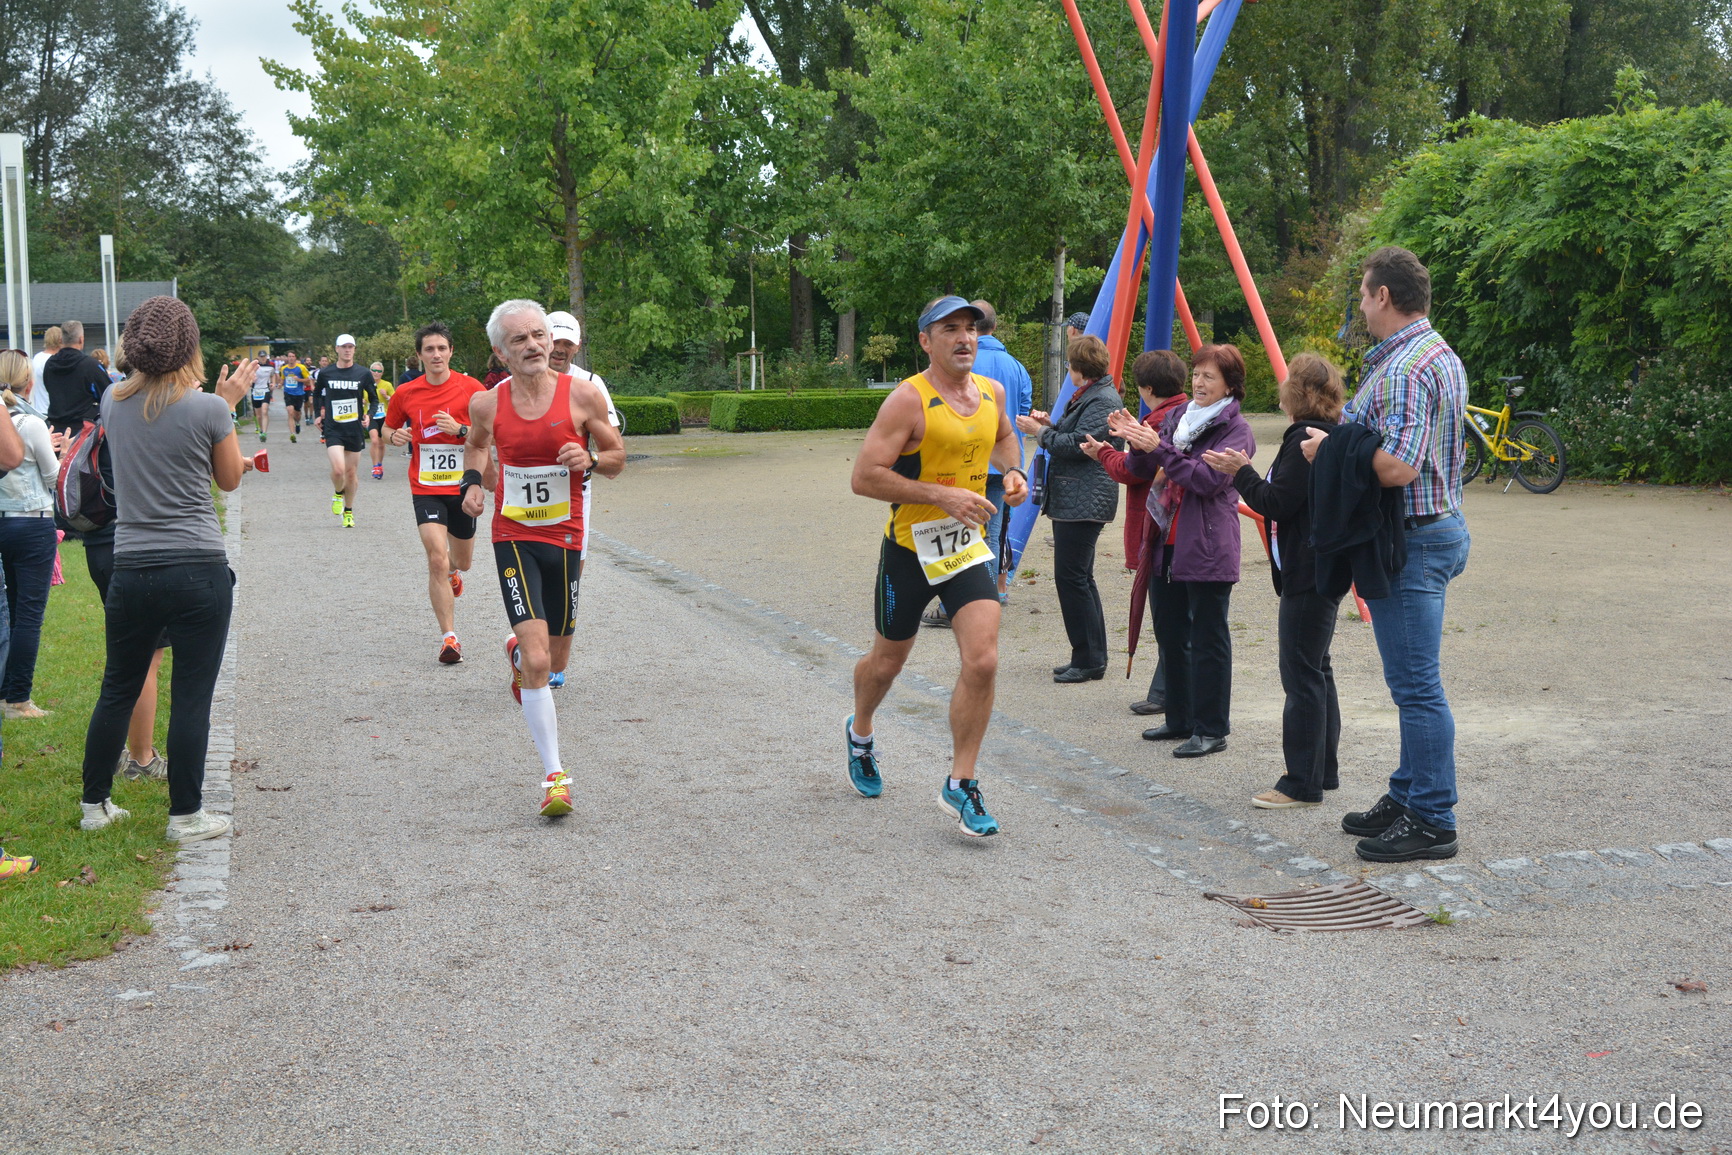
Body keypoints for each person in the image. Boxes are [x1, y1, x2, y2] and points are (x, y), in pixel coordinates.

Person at [1301, 246, 1470, 863]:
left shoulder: (1402, 369)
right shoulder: (1437, 354)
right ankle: (1407, 793)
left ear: (1383, 297)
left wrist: (1332, 451)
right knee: (1414, 683)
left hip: (1414, 542)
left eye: (1364, 294)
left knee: (1416, 686)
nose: (1362, 306)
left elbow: (1398, 465)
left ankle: (1432, 817)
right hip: (1435, 528)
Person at [846, 295, 1029, 837]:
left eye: (970, 328)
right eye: (950, 329)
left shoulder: (993, 393)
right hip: (909, 548)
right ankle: (860, 732)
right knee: (886, 663)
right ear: (926, 341)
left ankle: (961, 782)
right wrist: (939, 494)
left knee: (984, 660)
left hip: (965, 548)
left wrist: (1015, 472)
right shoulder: (908, 400)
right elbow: (863, 477)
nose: (964, 338)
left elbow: (1002, 440)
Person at [78, 295, 253, 842]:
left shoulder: (111, 399)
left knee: (118, 685)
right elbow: (228, 480)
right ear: (190, 347)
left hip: (132, 564)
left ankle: (94, 804)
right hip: (196, 565)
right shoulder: (209, 409)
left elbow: (150, 431)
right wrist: (226, 405)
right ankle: (186, 815)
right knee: (193, 694)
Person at [459, 300, 624, 817]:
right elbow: (476, 446)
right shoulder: (487, 404)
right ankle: (555, 776)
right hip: (513, 536)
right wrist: (472, 484)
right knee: (538, 664)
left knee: (554, 660)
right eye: (519, 340)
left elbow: (618, 458)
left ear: (550, 341)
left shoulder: (583, 393)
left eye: (538, 335)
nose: (532, 345)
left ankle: (516, 650)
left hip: (567, 536)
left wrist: (592, 458)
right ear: (499, 352)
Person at [1203, 353, 1346, 809]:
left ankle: (1301, 781)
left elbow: (1276, 502)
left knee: (1301, 673)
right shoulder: (1331, 433)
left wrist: (1239, 471)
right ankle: (1323, 770)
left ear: (1296, 394)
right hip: (1323, 565)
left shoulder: (1304, 438)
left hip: (1309, 568)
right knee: (1317, 667)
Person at [1111, 344, 1254, 759]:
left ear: (1230, 384)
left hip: (1207, 545)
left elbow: (1205, 480)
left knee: (1209, 639)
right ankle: (1179, 717)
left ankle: (1211, 729)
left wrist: (1157, 448)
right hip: (1164, 539)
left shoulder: (1236, 430)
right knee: (1170, 634)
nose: (1199, 382)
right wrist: (1134, 442)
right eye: (1196, 374)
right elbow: (1142, 471)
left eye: (1210, 376)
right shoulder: (1178, 417)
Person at [1090, 350, 1189, 715]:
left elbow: (1135, 469)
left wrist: (1102, 452)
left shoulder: (1161, 420)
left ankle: (1168, 694)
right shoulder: (1180, 412)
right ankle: (1169, 691)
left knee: (1169, 617)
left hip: (1160, 527)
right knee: (1177, 616)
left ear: (1146, 387)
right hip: (1175, 527)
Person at [1016, 334, 1119, 682]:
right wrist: (1050, 426)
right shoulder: (1093, 395)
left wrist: (1040, 434)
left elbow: (1079, 446)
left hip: (1085, 499)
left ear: (1078, 369)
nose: (1068, 371)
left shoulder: (1101, 399)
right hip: (1079, 498)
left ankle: (1088, 659)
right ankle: (1090, 654)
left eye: (1070, 366)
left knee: (1071, 578)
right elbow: (1074, 434)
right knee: (1079, 579)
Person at [386, 322, 485, 664]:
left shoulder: (471, 388)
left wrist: (460, 429)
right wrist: (393, 436)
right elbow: (388, 426)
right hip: (425, 487)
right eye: (429, 349)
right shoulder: (407, 392)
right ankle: (450, 638)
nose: (436, 354)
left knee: (461, 562)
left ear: (451, 351)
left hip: (462, 485)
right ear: (419, 355)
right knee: (436, 558)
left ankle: (455, 573)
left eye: (442, 348)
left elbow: (491, 432)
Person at [0, 362, 63, 719]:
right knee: (28, 616)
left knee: (8, 610)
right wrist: (63, 454)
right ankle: (18, 698)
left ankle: (6, 691)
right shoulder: (31, 423)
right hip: (32, 522)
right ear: (29, 381)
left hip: (4, 521)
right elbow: (54, 478)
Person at [311, 335, 377, 528]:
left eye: (351, 347)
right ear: (337, 349)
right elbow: (316, 394)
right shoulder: (326, 373)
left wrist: (369, 415)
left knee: (350, 473)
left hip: (354, 429)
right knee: (338, 470)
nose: (348, 350)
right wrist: (318, 413)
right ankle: (338, 493)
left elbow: (373, 399)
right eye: (344, 347)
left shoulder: (363, 373)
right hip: (333, 428)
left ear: (354, 349)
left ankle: (349, 511)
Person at [40, 319, 113, 436]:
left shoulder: (49, 364)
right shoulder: (91, 366)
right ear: (81, 339)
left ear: (61, 340)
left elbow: (48, 387)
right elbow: (108, 395)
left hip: (56, 432)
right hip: (83, 433)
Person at [367, 361, 395, 478]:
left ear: (382, 373)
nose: (376, 373)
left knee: (381, 443)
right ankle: (375, 467)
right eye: (374, 370)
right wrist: (362, 402)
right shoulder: (365, 383)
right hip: (370, 416)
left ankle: (380, 464)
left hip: (384, 416)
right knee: (374, 440)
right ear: (370, 371)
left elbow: (395, 399)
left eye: (379, 371)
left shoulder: (387, 385)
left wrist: (386, 397)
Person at [280, 350, 311, 441]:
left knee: (297, 414)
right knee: (290, 412)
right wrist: (279, 384)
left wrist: (299, 380)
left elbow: (308, 380)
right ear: (287, 358)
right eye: (289, 356)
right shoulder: (284, 368)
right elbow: (282, 379)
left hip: (299, 393)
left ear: (295, 358)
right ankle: (292, 434)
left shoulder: (301, 368)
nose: (291, 358)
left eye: (293, 356)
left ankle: (297, 423)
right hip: (288, 392)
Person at [29, 326, 61, 406]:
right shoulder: (54, 361)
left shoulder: (36, 358)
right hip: (51, 408)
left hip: (38, 407)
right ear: (60, 341)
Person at [249, 356, 275, 441]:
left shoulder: (268, 368)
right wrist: (251, 380)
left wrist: (273, 383)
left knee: (264, 411)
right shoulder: (251, 370)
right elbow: (248, 382)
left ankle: (264, 432)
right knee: (259, 415)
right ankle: (261, 430)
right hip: (255, 392)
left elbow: (273, 375)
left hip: (265, 391)